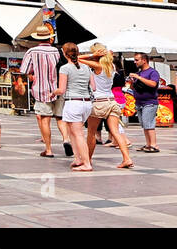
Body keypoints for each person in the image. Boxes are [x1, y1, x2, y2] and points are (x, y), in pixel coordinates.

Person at [84, 45, 134, 170]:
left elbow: (75, 59)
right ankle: (127, 158)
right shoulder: (111, 67)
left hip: (99, 102)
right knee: (116, 132)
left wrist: (92, 56)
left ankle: (88, 159)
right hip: (112, 101)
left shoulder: (98, 67)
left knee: (91, 133)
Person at [21, 25, 66, 157]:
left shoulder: (32, 52)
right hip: (58, 89)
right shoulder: (57, 52)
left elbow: (24, 71)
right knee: (60, 118)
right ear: (49, 38)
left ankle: (48, 149)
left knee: (44, 119)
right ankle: (66, 139)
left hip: (41, 90)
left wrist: (32, 76)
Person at [55, 42, 102, 170]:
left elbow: (62, 89)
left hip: (73, 103)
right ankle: (77, 159)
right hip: (86, 103)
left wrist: (53, 92)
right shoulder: (86, 68)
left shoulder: (64, 68)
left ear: (64, 54)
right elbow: (94, 87)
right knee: (72, 132)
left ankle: (86, 163)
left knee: (78, 134)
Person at [128, 52, 162, 152]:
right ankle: (148, 144)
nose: (135, 62)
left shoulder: (152, 72)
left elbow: (153, 84)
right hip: (139, 102)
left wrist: (139, 78)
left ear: (144, 60)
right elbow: (133, 87)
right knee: (144, 124)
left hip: (150, 102)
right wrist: (132, 81)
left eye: (137, 60)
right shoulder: (138, 73)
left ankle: (154, 145)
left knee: (149, 124)